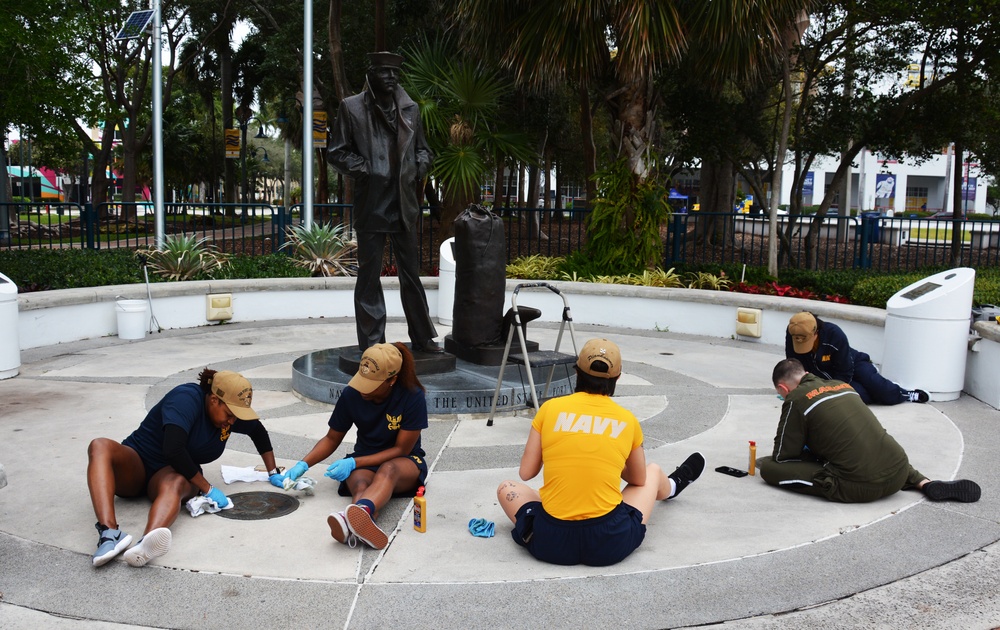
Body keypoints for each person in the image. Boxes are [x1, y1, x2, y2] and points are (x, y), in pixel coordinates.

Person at [496, 338, 706, 566]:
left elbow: (526, 473)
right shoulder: (627, 420)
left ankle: (564, 506)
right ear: (617, 377)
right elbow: (638, 479)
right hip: (608, 543)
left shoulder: (550, 409)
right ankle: (672, 487)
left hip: (552, 543)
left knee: (506, 488)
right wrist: (611, 454)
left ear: (576, 371)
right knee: (652, 472)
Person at [87, 370, 281, 567]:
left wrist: (273, 473)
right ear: (214, 400)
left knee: (177, 482)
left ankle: (146, 544)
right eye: (230, 414)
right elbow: (173, 449)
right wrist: (208, 489)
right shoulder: (185, 399)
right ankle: (109, 533)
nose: (231, 422)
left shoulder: (229, 417)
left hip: (172, 474)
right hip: (137, 463)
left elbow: (258, 432)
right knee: (99, 445)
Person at [328, 51, 441, 354]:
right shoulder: (351, 108)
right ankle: (373, 343)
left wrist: (417, 167)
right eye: (384, 72)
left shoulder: (410, 109)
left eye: (395, 72)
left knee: (411, 274)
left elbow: (424, 151)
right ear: (371, 74)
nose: (391, 77)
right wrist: (366, 170)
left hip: (403, 203)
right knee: (369, 277)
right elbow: (336, 152)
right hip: (372, 202)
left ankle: (422, 336)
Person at [759, 359, 981, 503]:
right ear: (805, 373)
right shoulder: (842, 385)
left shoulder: (796, 399)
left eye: (781, 394)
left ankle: (834, 474)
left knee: (769, 468)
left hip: (861, 486)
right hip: (898, 468)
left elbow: (783, 455)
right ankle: (924, 482)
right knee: (871, 442)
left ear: (783, 389)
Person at [282, 342, 428, 550]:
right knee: (360, 485)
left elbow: (401, 450)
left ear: (392, 380)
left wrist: (353, 462)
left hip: (405, 463)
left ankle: (351, 519)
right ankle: (355, 524)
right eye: (362, 379)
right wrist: (302, 465)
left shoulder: (412, 396)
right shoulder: (352, 394)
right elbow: (332, 438)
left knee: (388, 469)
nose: (363, 388)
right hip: (365, 459)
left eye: (372, 383)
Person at [785, 311, 928, 405]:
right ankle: (880, 388)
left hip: (851, 363)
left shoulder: (833, 333)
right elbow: (795, 366)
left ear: (816, 332)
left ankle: (906, 393)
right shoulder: (794, 331)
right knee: (861, 397)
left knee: (878, 387)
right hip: (825, 377)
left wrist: (833, 390)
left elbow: (845, 370)